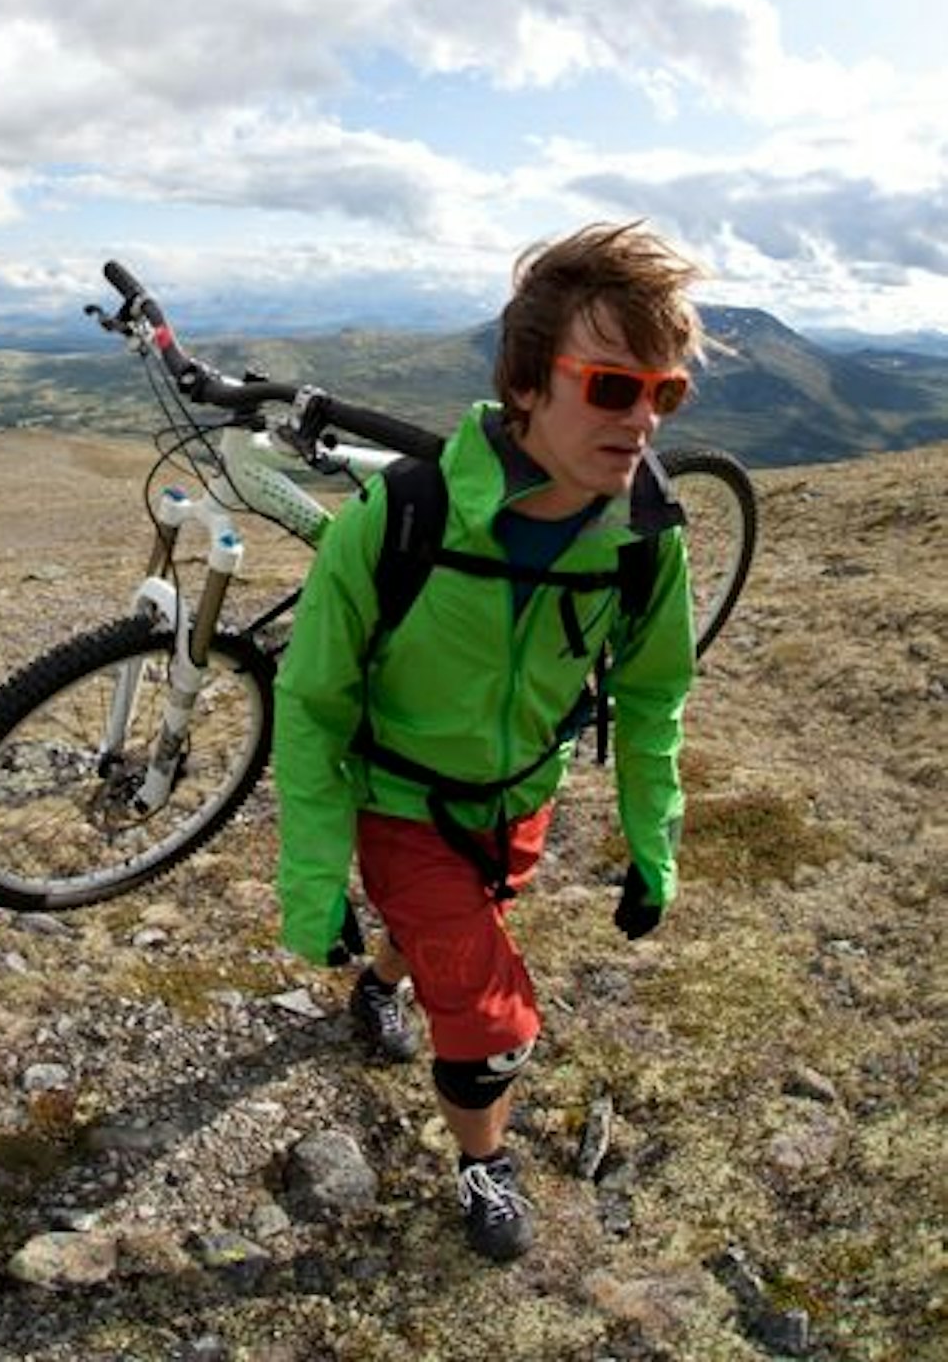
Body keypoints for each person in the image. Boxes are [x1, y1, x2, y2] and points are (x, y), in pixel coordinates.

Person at [273, 221, 702, 1262]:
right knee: (488, 1014)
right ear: (523, 385)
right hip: (399, 802)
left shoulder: (644, 539)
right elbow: (313, 703)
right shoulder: (402, 517)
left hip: (519, 798)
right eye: (610, 386)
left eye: (664, 393)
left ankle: (380, 984)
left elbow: (650, 701)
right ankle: (483, 1163)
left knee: (445, 941)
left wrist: (653, 846)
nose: (640, 418)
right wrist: (312, 880)